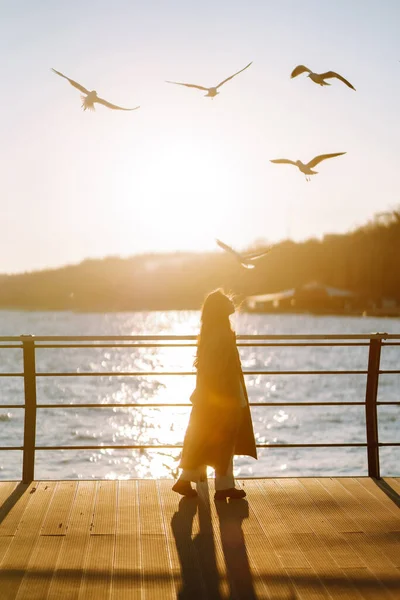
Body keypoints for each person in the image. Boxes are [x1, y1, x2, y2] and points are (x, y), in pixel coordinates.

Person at [172, 289, 257, 500]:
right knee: (224, 439)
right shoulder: (222, 335)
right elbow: (222, 369)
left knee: (203, 437)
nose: (231, 317)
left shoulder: (208, 332)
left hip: (209, 395)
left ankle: (186, 478)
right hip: (224, 395)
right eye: (228, 313)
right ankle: (223, 486)